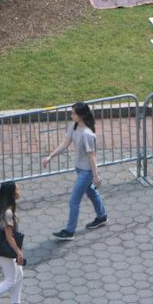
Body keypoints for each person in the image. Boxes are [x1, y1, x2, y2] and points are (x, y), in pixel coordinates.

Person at [43, 101, 107, 239]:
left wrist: (95, 175)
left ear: (81, 115)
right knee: (91, 192)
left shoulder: (87, 134)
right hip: (80, 169)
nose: (71, 115)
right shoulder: (74, 126)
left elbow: (92, 156)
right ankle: (102, 217)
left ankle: (69, 231)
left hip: (86, 172)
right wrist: (50, 156)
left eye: (73, 113)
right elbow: (65, 144)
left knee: (74, 201)